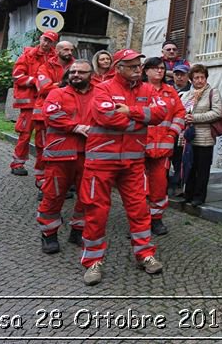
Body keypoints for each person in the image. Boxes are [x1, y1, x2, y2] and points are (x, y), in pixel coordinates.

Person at [83, 49, 168, 285]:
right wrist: (141, 120)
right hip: (101, 161)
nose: (137, 69)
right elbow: (106, 117)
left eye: (138, 65)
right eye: (131, 66)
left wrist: (131, 111)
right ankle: (92, 262)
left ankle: (145, 254)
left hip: (133, 162)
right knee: (96, 212)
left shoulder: (148, 89)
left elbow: (161, 112)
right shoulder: (102, 88)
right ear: (118, 67)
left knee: (140, 209)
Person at [38, 60, 95, 253]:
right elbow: (51, 115)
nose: (76, 75)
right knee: (53, 195)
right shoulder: (57, 93)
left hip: (89, 154)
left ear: (91, 75)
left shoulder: (99, 94)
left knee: (87, 197)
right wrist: (76, 127)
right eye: (73, 72)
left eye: (81, 72)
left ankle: (78, 231)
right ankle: (49, 234)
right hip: (59, 155)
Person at [142, 57, 186, 235]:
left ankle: (156, 219)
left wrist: (172, 133)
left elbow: (180, 113)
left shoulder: (170, 92)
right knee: (139, 189)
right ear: (146, 71)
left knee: (159, 185)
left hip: (163, 147)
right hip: (140, 148)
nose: (159, 71)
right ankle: (140, 223)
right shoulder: (139, 90)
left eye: (161, 68)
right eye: (154, 68)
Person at [9, 30, 56, 176]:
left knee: (43, 135)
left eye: (50, 41)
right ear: (40, 39)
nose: (46, 43)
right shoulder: (28, 55)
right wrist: (37, 81)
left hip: (46, 102)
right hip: (30, 103)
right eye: (45, 40)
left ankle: (42, 167)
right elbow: (17, 76)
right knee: (25, 133)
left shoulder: (55, 57)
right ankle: (17, 163)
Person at [33, 40, 75, 190]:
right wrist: (65, 85)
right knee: (44, 147)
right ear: (56, 51)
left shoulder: (76, 66)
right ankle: (42, 179)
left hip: (70, 114)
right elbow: (44, 89)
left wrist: (56, 84)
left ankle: (65, 180)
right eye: (65, 49)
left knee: (67, 147)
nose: (69, 52)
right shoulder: (45, 67)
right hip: (44, 115)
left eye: (71, 49)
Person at [180, 64, 222, 207]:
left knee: (202, 169)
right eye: (196, 78)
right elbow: (181, 111)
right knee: (190, 167)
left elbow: (218, 112)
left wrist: (195, 118)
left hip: (205, 137)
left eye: (202, 77)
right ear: (191, 80)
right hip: (190, 138)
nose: (199, 80)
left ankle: (199, 196)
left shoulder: (213, 92)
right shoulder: (187, 94)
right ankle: (188, 194)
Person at [168, 62, 191, 195]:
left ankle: (177, 185)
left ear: (187, 76)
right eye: (177, 74)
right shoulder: (168, 88)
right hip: (167, 128)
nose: (179, 77)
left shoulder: (191, 90)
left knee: (179, 159)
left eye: (182, 75)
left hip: (182, 130)